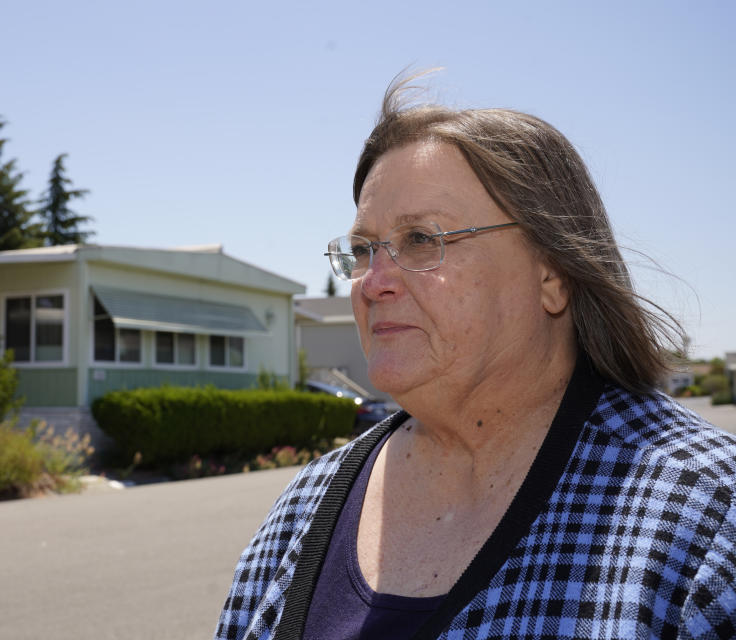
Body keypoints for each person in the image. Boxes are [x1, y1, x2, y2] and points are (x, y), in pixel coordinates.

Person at [214, 76, 736, 640]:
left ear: (553, 274)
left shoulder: (704, 516)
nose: (374, 282)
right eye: (364, 250)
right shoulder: (306, 507)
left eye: (420, 239)